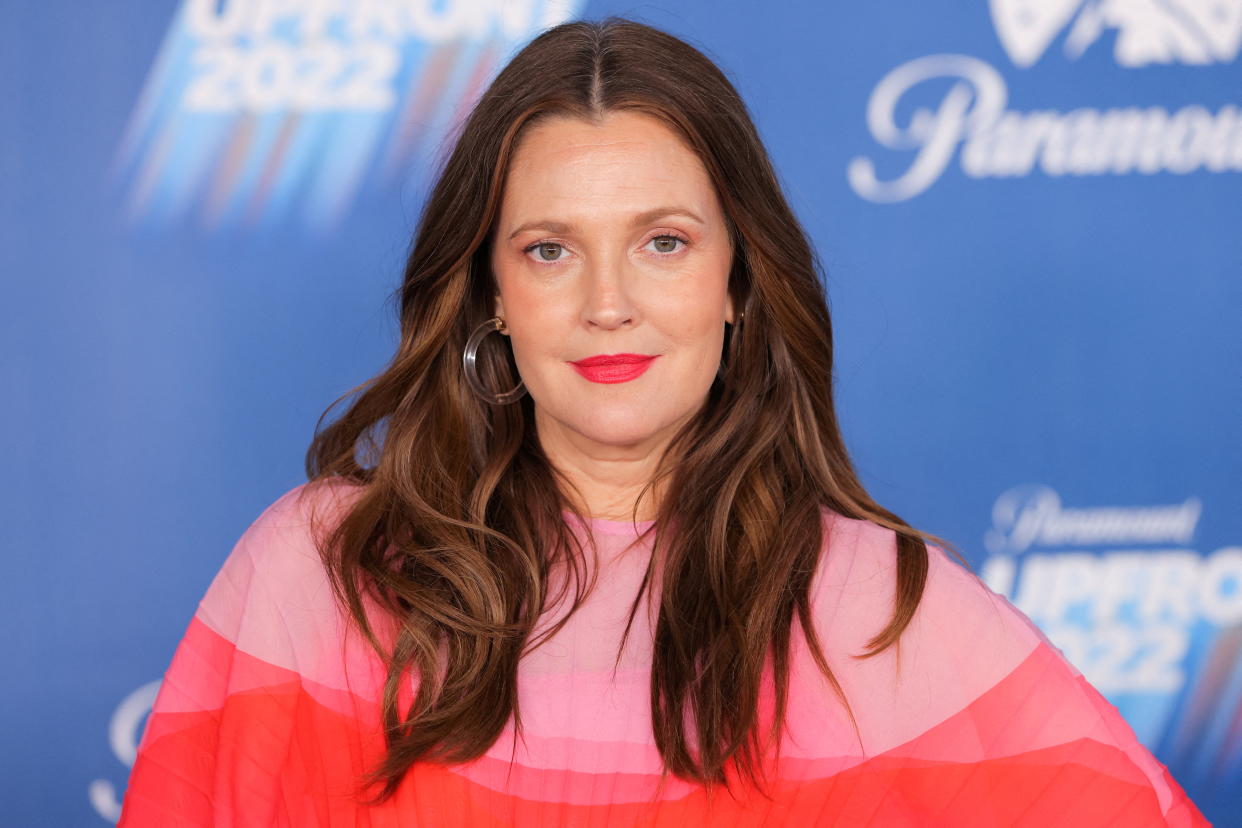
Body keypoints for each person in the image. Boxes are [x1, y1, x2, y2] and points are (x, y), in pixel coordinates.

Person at [118, 16, 1209, 827]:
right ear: (491, 291)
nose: (607, 303)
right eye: (549, 248)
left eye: (664, 242)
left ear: (739, 280)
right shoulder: (322, 577)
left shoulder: (884, 610)